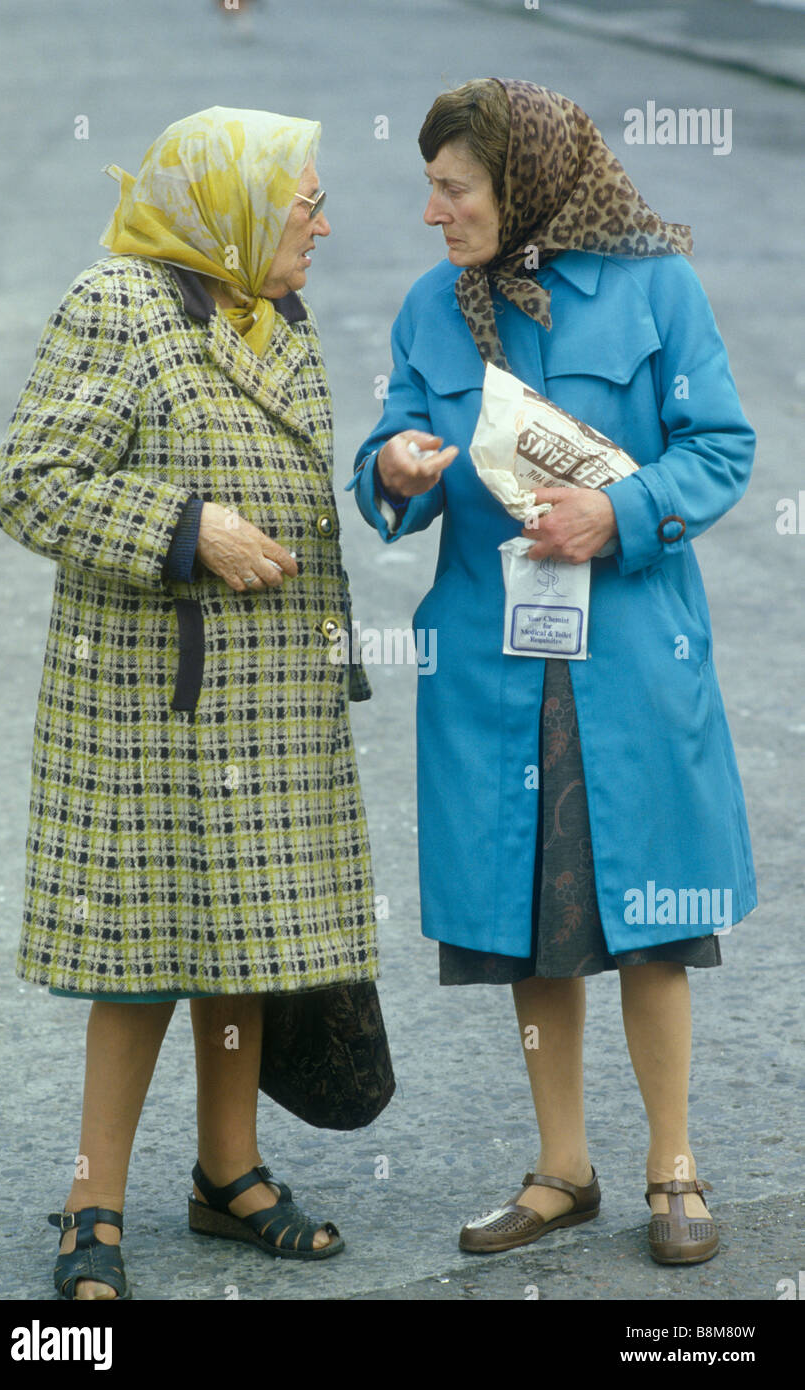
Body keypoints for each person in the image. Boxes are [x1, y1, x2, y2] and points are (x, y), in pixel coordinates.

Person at [349, 79, 757, 1265]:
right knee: (534, 924)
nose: (433, 212)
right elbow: (385, 452)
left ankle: (672, 1163)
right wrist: (395, 468)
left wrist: (617, 514)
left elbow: (720, 447)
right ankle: (561, 1168)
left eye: (454, 189)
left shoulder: (656, 286)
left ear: (524, 185)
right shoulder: (432, 307)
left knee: (656, 921)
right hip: (496, 669)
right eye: (431, 187)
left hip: (630, 660)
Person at [0, 106, 378, 1299]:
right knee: (139, 955)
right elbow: (30, 483)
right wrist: (184, 526)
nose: (321, 224)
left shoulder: (273, 312)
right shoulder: (115, 302)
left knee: (244, 942)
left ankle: (229, 1173)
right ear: (235, 204)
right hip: (151, 700)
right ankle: (90, 1198)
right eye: (305, 201)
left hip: (274, 701)